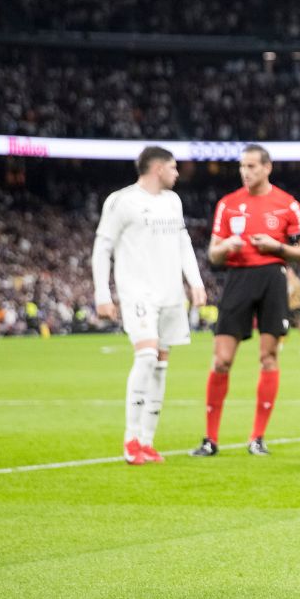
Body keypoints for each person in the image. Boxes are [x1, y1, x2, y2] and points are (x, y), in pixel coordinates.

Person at [193, 144, 300, 458]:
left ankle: (257, 438)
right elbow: (213, 253)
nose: (245, 172)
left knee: (268, 357)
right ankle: (210, 440)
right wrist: (226, 248)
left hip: (273, 277)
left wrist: (277, 247)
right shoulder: (228, 204)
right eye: (242, 167)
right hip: (238, 278)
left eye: (251, 167)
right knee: (221, 360)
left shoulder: (287, 205)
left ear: (267, 168)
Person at [91, 146, 206, 465]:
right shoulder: (122, 201)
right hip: (138, 293)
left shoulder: (173, 201)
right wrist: (102, 294)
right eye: (173, 167)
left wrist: (195, 281)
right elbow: (103, 247)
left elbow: (183, 243)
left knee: (161, 365)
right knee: (146, 356)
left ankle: (147, 440)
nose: (177, 173)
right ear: (157, 169)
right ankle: (131, 438)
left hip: (171, 294)